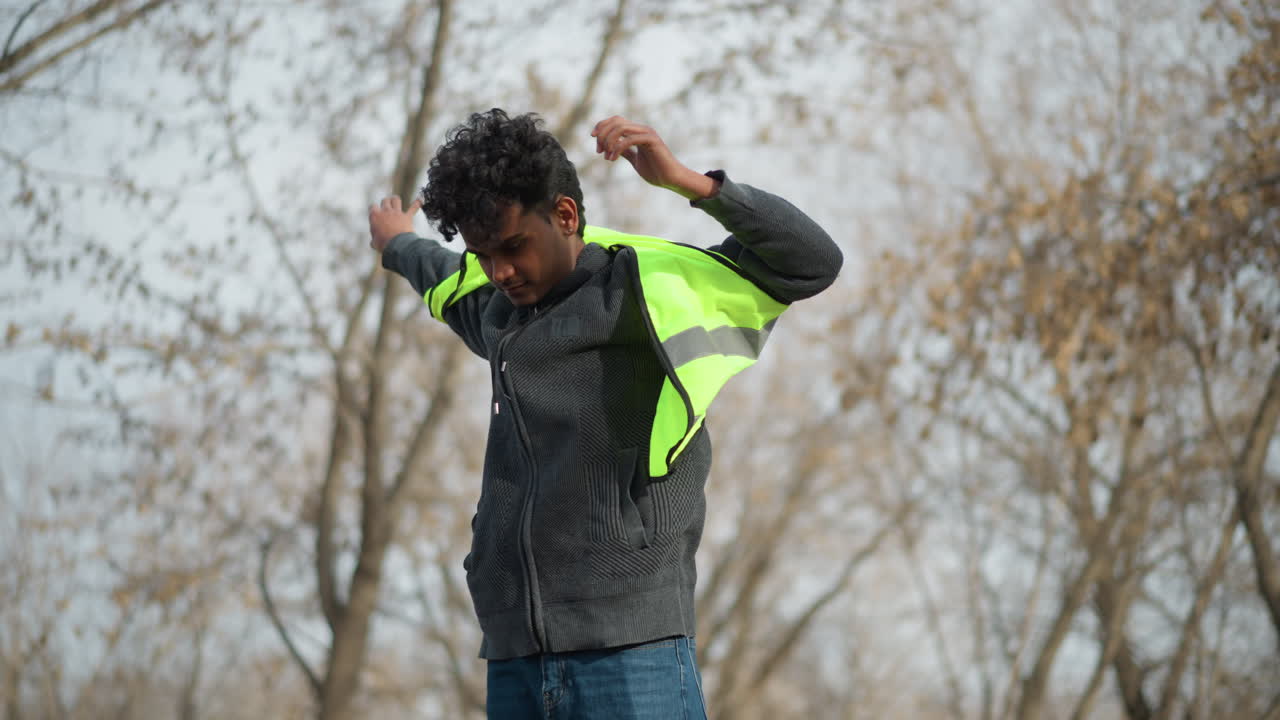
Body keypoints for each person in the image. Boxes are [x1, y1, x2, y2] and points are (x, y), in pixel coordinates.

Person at [368, 109, 842, 719]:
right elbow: (441, 277)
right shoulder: (497, 312)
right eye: (484, 255)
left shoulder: (641, 289)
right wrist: (399, 241)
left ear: (565, 215)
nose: (501, 270)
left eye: (514, 247)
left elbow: (813, 262)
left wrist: (692, 184)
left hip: (630, 649)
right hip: (515, 657)